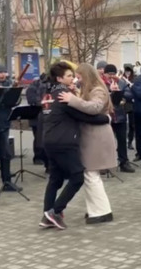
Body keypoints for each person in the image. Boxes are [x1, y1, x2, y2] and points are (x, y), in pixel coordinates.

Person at [40, 62, 110, 230]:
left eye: (74, 75)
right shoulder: (64, 95)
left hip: (49, 140)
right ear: (59, 78)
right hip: (64, 141)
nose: (73, 78)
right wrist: (105, 118)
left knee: (55, 179)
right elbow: (83, 116)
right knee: (77, 176)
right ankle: (55, 212)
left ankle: (46, 214)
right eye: (69, 76)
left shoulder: (52, 91)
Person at [55, 63, 117, 224]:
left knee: (91, 174)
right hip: (91, 136)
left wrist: (73, 99)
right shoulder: (89, 90)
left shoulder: (97, 90)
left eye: (79, 76)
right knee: (90, 174)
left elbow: (94, 108)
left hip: (97, 137)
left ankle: (102, 211)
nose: (77, 79)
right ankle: (95, 209)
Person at [103, 64, 134, 173]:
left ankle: (124, 162)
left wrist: (120, 92)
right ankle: (105, 164)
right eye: (109, 74)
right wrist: (110, 92)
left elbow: (130, 94)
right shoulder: (101, 83)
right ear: (105, 74)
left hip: (120, 115)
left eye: (113, 74)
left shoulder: (121, 82)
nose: (111, 76)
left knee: (122, 140)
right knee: (107, 142)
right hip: (107, 116)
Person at [26, 74, 48, 167]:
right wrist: (43, 102)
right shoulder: (33, 86)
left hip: (47, 116)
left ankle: (46, 161)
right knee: (38, 138)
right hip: (36, 116)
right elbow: (31, 100)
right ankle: (38, 157)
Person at [123, 65, 136, 150]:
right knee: (122, 124)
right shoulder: (121, 80)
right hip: (124, 103)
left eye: (129, 71)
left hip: (132, 104)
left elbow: (136, 90)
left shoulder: (134, 80)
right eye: (126, 71)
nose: (128, 73)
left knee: (132, 125)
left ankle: (130, 142)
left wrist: (131, 85)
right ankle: (122, 142)